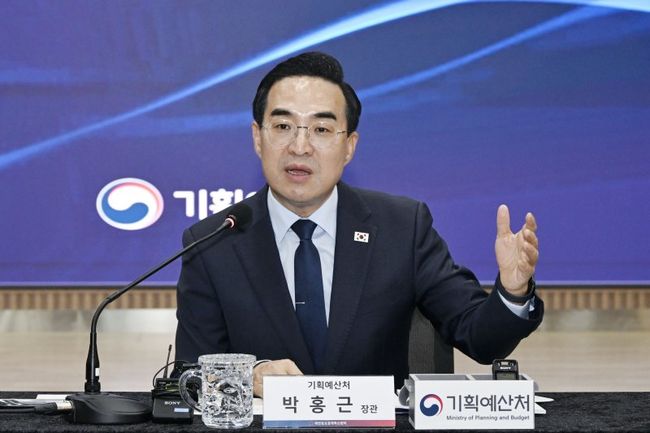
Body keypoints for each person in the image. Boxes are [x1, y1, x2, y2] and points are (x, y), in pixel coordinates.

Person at [175, 52, 543, 397]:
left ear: (349, 146)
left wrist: (512, 292)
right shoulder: (212, 243)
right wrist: (248, 375)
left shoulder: (403, 228)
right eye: (283, 126)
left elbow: (481, 339)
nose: (300, 146)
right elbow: (188, 377)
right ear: (258, 137)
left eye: (321, 129)